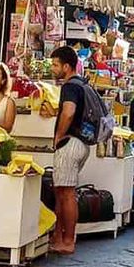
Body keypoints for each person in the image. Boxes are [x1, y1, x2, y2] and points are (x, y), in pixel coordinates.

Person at [49, 45, 91, 255]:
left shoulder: (70, 86)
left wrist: (59, 135)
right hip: (82, 143)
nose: (53, 69)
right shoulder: (82, 84)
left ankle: (67, 240)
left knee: (66, 194)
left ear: (66, 66)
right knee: (61, 192)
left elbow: (69, 112)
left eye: (56, 65)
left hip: (70, 143)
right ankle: (59, 236)